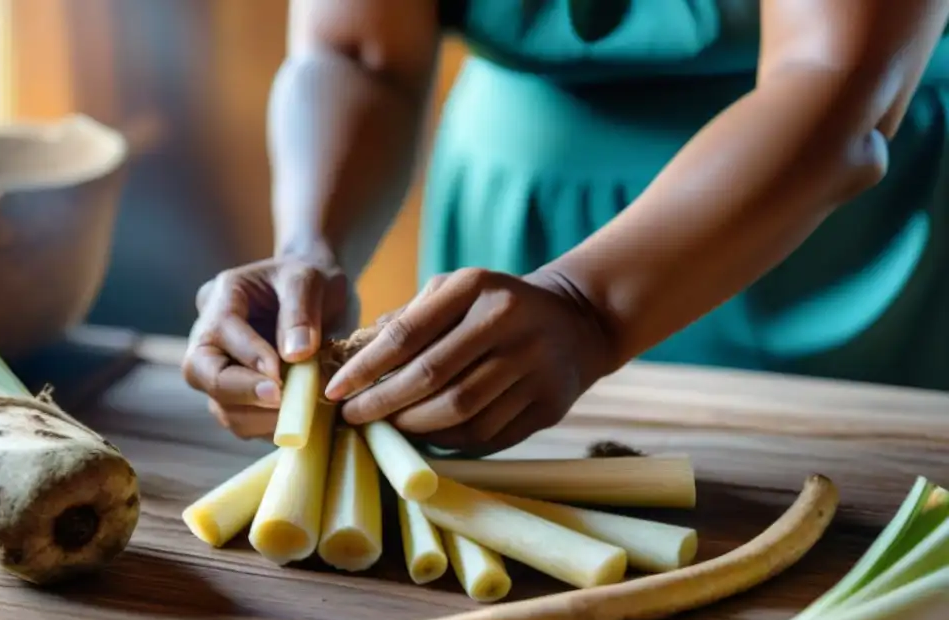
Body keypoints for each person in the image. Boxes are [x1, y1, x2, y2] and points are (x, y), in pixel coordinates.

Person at [182, 0, 949, 456]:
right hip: (511, 215)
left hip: (821, 225)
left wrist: (587, 306)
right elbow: (358, 52)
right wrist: (311, 245)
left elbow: (836, 82)